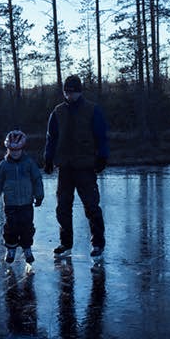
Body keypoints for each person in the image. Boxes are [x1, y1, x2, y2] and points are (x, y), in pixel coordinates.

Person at [43, 75, 108, 257]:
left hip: (85, 166)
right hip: (65, 167)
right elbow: (51, 138)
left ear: (80, 92)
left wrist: (102, 156)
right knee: (63, 207)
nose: (69, 95)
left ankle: (98, 243)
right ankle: (65, 243)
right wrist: (48, 158)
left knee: (91, 206)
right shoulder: (58, 112)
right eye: (67, 92)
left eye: (72, 92)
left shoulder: (92, 110)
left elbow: (101, 135)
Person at [0, 129, 44, 266]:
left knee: (27, 227)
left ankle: (27, 249)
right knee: (11, 227)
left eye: (17, 150)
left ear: (22, 149)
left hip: (26, 203)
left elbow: (37, 179)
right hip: (11, 203)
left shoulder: (29, 163)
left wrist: (39, 196)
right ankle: (11, 249)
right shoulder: (3, 165)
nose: (14, 153)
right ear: (8, 149)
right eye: (12, 150)